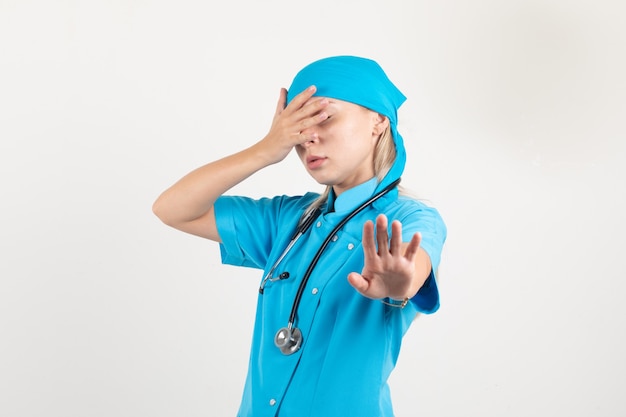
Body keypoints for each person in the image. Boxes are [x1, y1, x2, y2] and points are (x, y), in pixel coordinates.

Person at [152, 55, 447, 417]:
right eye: (296, 128)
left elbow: (412, 266)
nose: (308, 137)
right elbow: (172, 209)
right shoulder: (289, 219)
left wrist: (399, 284)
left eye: (324, 117)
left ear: (378, 121)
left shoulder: (410, 219)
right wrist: (265, 149)